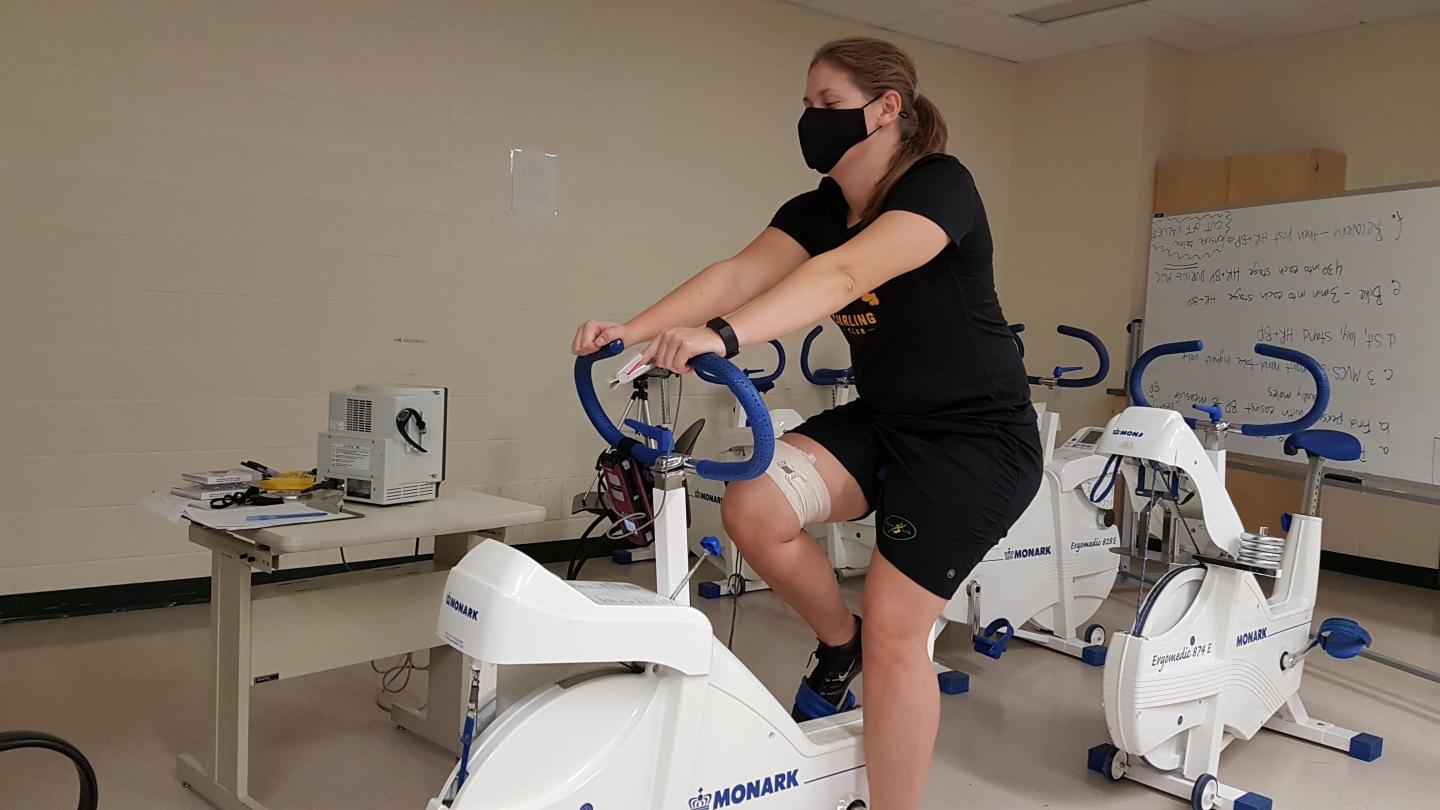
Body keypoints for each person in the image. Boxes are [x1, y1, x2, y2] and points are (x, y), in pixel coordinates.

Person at [571, 37, 1042, 810]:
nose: (812, 119)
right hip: (887, 419)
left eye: (828, 105)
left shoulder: (939, 186)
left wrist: (722, 337)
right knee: (753, 504)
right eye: (807, 105)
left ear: (887, 108)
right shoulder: (819, 210)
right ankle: (838, 644)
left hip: (977, 439)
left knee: (899, 632)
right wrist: (630, 328)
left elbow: (845, 275)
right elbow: (737, 274)